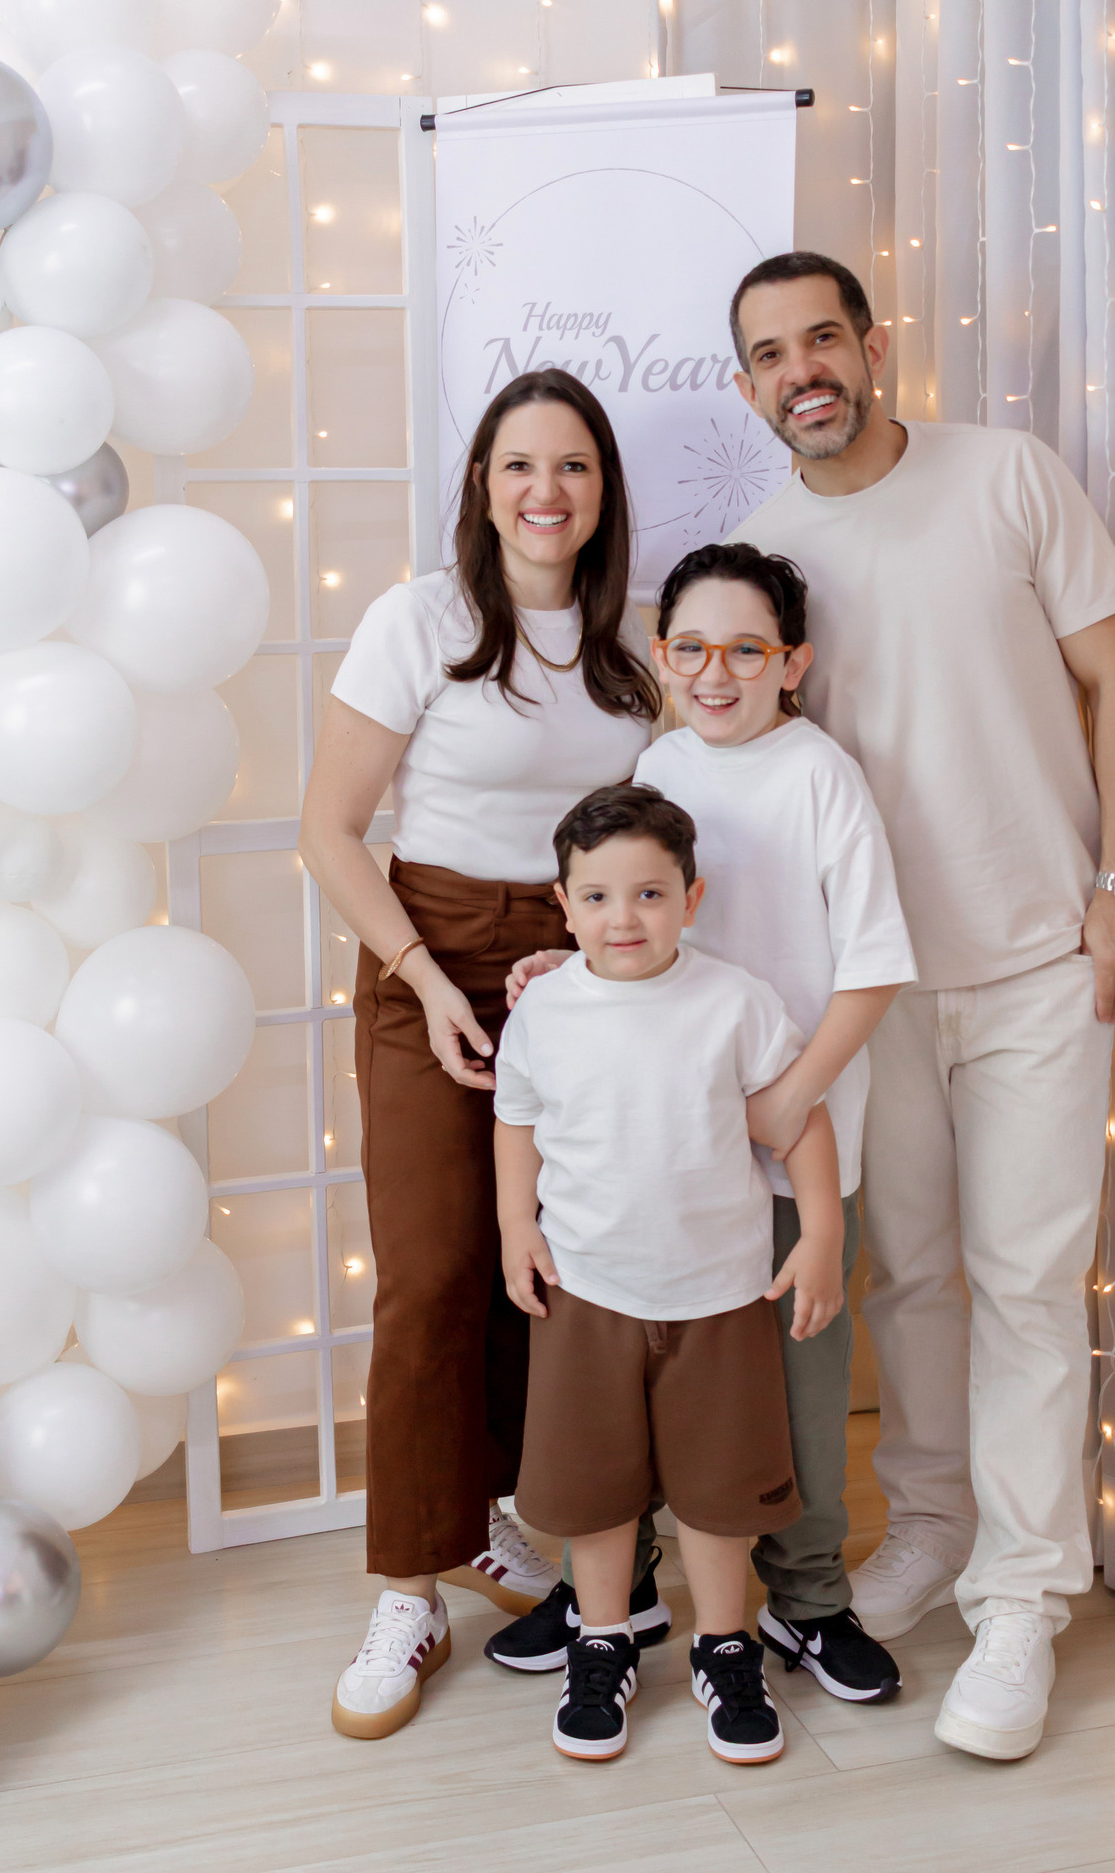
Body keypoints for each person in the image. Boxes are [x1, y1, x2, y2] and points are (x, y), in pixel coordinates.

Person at [725, 250, 1115, 1760]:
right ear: (747, 386)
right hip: (877, 983)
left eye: (821, 339)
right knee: (909, 1276)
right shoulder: (765, 552)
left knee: (1028, 1283)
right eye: (770, 354)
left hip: (1043, 953)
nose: (802, 371)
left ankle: (1025, 1598)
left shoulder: (1006, 476)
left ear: (871, 344)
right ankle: (928, 1524)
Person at [488, 541, 917, 1707]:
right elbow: (641, 901)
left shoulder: (819, 775)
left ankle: (804, 1603)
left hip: (785, 1144)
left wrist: (790, 1098)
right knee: (626, 1379)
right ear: (663, 655)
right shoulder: (663, 758)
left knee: (788, 1398)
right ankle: (612, 1598)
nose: (715, 673)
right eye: (691, 649)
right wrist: (570, 968)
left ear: (790, 663)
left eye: (744, 650)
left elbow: (873, 965)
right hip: (660, 1150)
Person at [298, 368, 660, 1741]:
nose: (545, 492)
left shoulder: (636, 644)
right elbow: (329, 830)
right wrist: (420, 978)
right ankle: (409, 1587)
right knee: (433, 1271)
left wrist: (594, 957)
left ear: (603, 489)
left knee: (549, 1269)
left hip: (578, 970)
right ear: (481, 486)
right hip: (426, 957)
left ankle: (495, 1514)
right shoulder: (422, 620)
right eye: (519, 465)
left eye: (572, 466)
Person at [495, 782, 847, 1762]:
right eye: (597, 897)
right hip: (586, 1292)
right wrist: (513, 1224)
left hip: (719, 1297)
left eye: (649, 894)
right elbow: (516, 1118)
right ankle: (601, 1640)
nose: (624, 918)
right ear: (563, 906)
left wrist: (819, 1230)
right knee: (596, 1488)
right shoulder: (544, 1011)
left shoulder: (735, 1002)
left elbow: (799, 1120)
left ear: (691, 900)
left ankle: (723, 1645)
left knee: (720, 1492)